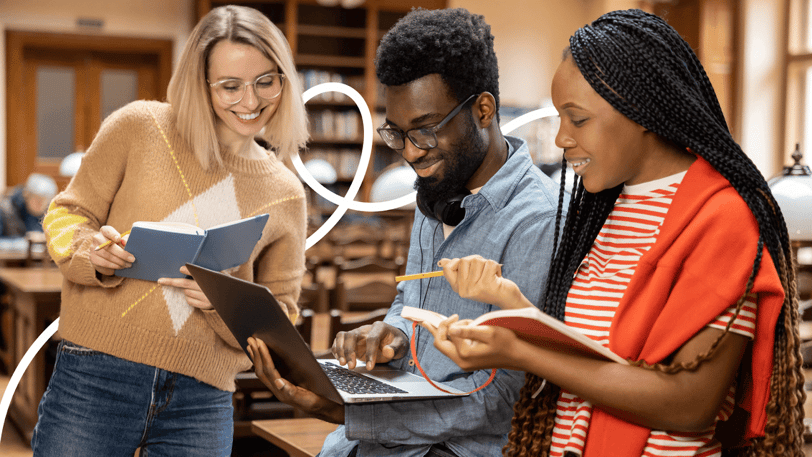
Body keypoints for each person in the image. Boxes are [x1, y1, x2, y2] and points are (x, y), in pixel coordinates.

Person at [423, 9, 805, 457]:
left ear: (641, 110)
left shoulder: (724, 218)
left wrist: (519, 352)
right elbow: (597, 352)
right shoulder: (608, 206)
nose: (561, 138)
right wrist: (514, 307)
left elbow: (689, 403)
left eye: (578, 119)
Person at [248, 7, 562, 457]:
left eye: (426, 131)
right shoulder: (439, 189)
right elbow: (409, 304)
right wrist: (392, 334)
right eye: (398, 133)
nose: (411, 153)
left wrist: (347, 412)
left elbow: (504, 400)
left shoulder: (538, 219)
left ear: (483, 109)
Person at [30, 5, 308, 456]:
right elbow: (67, 213)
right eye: (230, 86)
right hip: (95, 375)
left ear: (285, 81)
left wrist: (225, 303)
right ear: (200, 86)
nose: (251, 101)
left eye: (266, 81)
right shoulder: (139, 126)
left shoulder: (285, 193)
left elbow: (283, 319)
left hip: (203, 397)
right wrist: (90, 254)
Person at [0, 173, 57, 237]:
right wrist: (25, 241)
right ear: (26, 195)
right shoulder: (5, 209)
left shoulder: (51, 212)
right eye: (38, 200)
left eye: (45, 201)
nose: (41, 204)